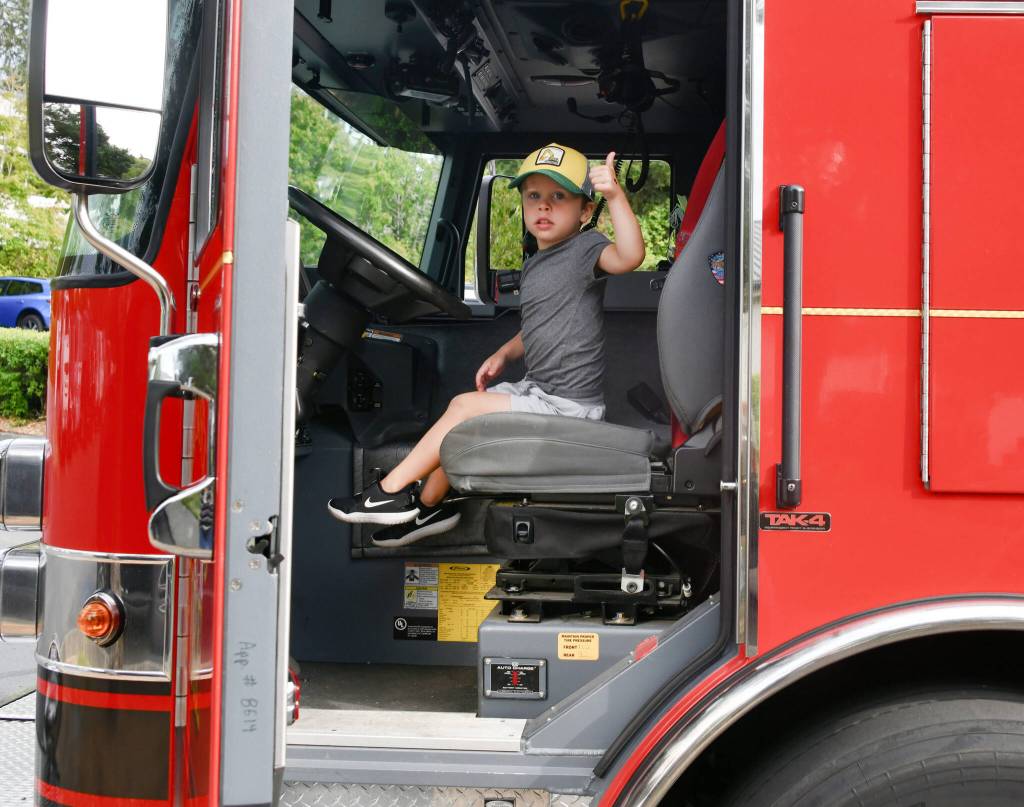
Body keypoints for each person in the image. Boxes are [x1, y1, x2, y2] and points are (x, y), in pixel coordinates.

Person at [328, 143, 645, 546]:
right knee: (463, 422)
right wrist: (504, 353)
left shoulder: (586, 249)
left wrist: (615, 196)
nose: (543, 207)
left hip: (570, 407)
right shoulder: (535, 264)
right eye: (534, 196)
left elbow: (631, 257)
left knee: (463, 407)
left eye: (558, 197)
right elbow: (538, 327)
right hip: (539, 390)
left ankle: (388, 493)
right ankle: (428, 508)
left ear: (585, 211)